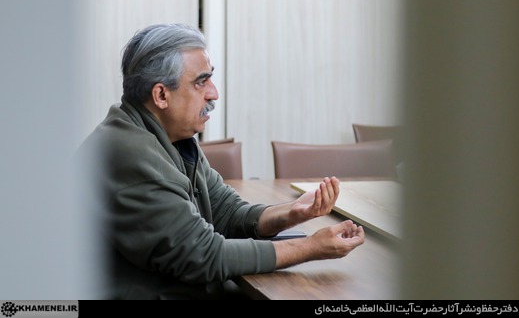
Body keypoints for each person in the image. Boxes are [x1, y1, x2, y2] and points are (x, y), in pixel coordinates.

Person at [77, 23, 365, 300]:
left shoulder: (170, 137)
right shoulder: (132, 154)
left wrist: (292, 212)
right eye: (201, 82)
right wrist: (310, 247)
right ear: (161, 94)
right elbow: (205, 255)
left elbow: (225, 213)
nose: (213, 92)